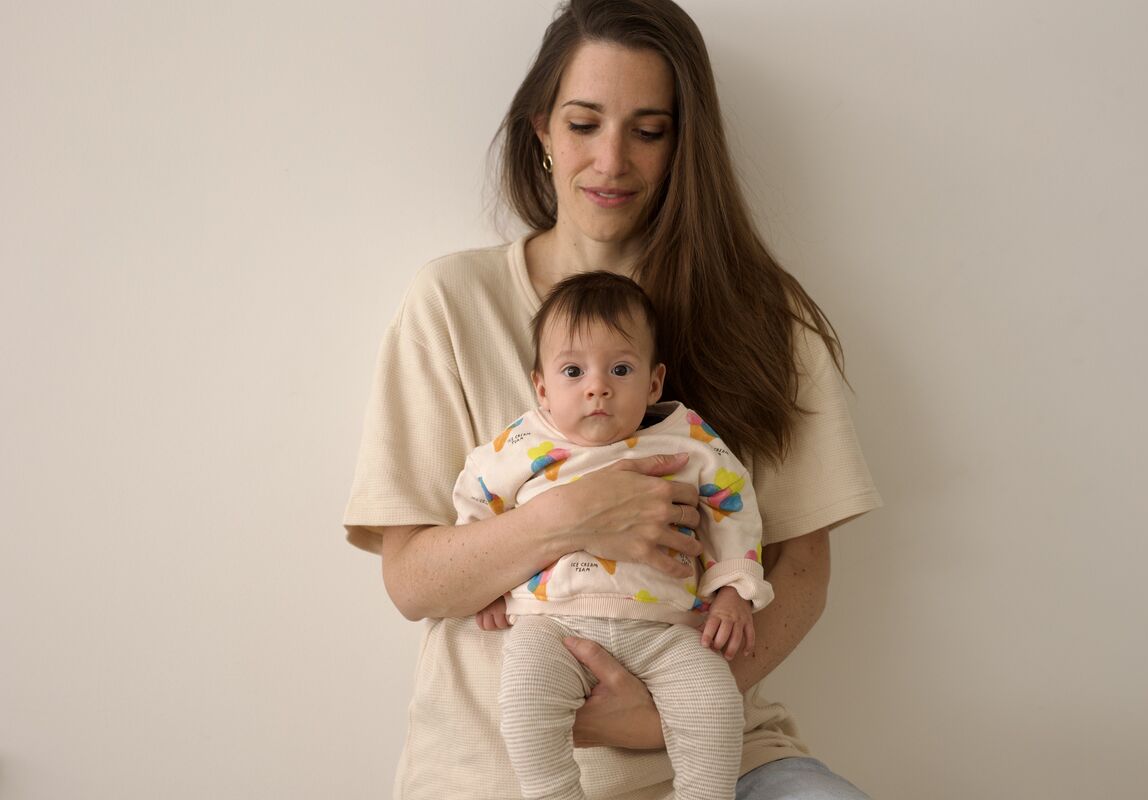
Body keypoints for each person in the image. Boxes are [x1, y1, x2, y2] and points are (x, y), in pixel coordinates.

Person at [343, 0, 882, 797]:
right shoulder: (451, 303)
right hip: (501, 768)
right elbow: (413, 581)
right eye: (584, 123)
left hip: (717, 753)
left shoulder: (762, 313)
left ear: (682, 142)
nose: (612, 161)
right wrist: (569, 516)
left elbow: (802, 565)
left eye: (649, 129)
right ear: (541, 130)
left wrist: (666, 712)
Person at [462, 271, 772, 800]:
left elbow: (733, 504)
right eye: (573, 370)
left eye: (621, 369)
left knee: (715, 704)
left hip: (667, 629)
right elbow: (475, 498)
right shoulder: (522, 443)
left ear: (653, 383)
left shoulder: (687, 439)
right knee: (524, 700)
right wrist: (486, 583)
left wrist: (731, 591)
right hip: (551, 624)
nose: (597, 386)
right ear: (542, 386)